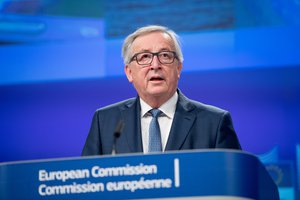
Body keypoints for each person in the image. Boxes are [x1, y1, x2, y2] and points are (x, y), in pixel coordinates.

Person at [82, 25, 241, 156]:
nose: (155, 65)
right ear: (129, 72)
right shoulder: (104, 121)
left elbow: (234, 183)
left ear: (178, 68)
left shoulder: (215, 122)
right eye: (144, 57)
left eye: (165, 56)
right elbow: (86, 184)